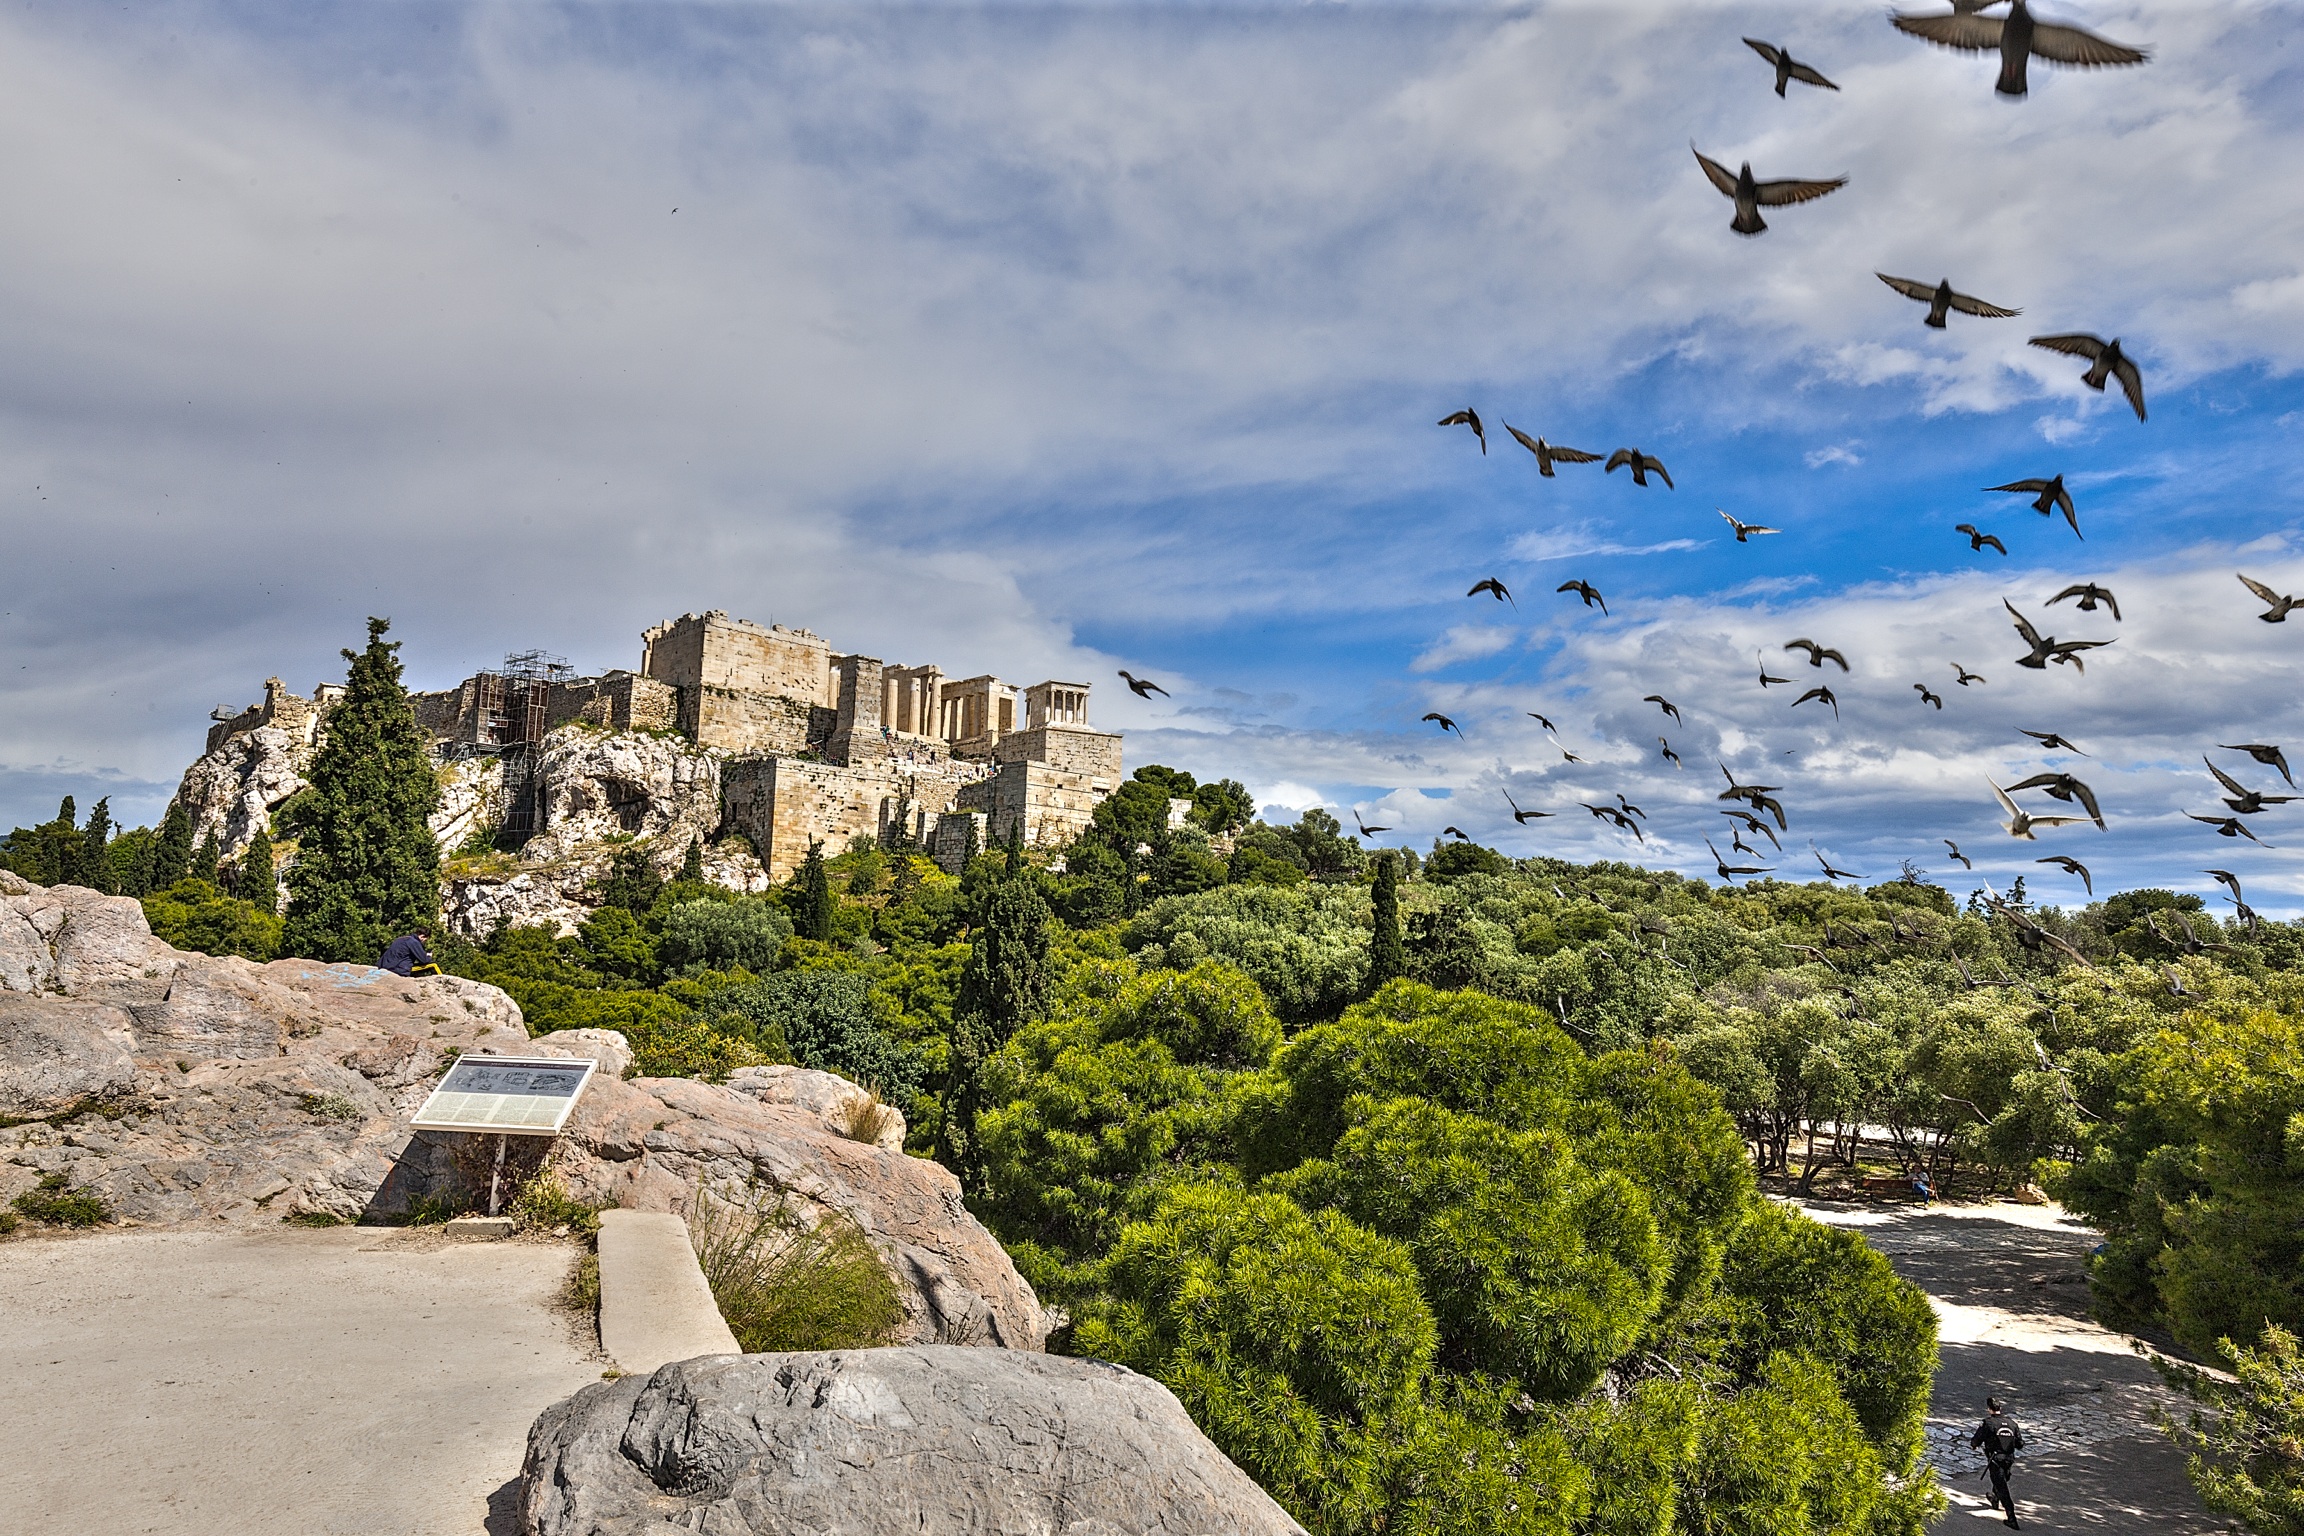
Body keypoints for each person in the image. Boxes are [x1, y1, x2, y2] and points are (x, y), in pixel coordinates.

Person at [1971, 1397, 2024, 1528]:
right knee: (2001, 1480)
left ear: (1989, 1409)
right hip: (2009, 1459)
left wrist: (1974, 1445)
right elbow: (2020, 1444)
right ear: (2001, 1408)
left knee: (2002, 1486)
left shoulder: (1988, 1423)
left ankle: (2011, 1517)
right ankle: (1994, 1497)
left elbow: (1976, 1441)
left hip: (1996, 1459)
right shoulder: (2012, 1423)